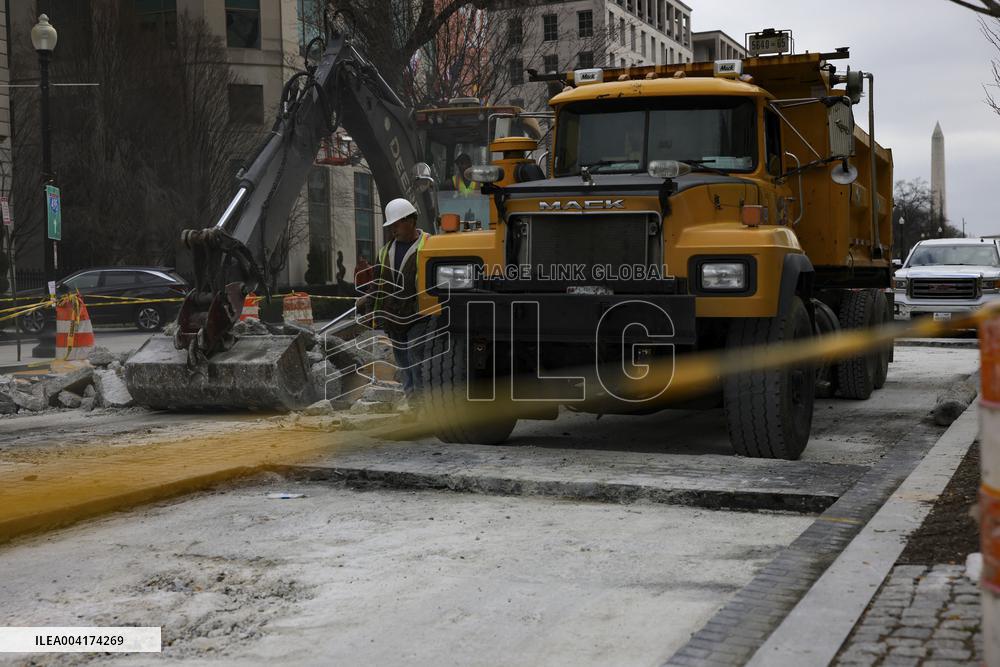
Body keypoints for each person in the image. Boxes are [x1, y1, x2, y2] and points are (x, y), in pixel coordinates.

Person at [356, 197, 431, 399]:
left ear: (410, 221)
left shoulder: (429, 245)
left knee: (415, 355)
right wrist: (370, 311)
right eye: (391, 225)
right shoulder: (385, 251)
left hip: (419, 315)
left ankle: (423, 402)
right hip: (393, 317)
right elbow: (378, 284)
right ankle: (411, 399)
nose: (393, 229)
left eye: (396, 224)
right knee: (403, 360)